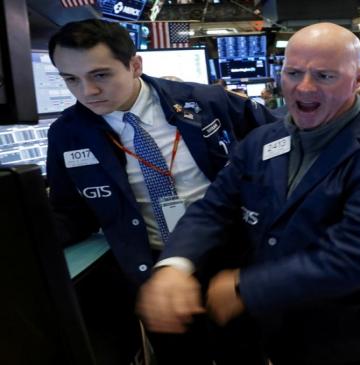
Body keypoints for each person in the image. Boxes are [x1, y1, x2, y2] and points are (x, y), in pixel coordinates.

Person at [137, 22, 360, 365]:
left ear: (359, 78)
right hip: (268, 330)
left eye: (324, 76)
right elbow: (214, 208)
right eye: (293, 73)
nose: (304, 88)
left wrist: (247, 287)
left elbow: (359, 254)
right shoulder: (263, 140)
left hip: (346, 334)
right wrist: (175, 264)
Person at [46, 19, 275, 364]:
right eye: (70, 79)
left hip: (229, 262)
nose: (86, 91)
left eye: (100, 75)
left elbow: (280, 143)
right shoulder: (67, 134)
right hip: (154, 272)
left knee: (245, 352)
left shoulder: (206, 101)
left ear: (135, 65)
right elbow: (69, 212)